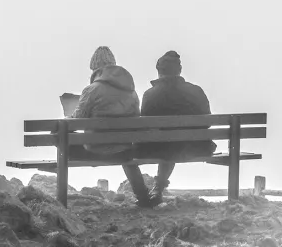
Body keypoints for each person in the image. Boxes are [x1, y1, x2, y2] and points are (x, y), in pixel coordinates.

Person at [66, 46, 151, 207]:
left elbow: (77, 120)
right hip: (124, 152)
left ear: (96, 70)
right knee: (125, 153)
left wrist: (67, 118)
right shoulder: (131, 91)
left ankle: (60, 197)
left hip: (93, 152)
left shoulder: (91, 90)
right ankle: (143, 198)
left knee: (60, 133)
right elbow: (136, 119)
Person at [137, 50, 217, 205]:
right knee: (172, 145)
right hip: (196, 147)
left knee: (167, 146)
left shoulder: (150, 94)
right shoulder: (196, 91)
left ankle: (153, 191)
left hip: (159, 148)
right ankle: (158, 187)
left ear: (159, 71)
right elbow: (207, 122)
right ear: (179, 70)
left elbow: (145, 125)